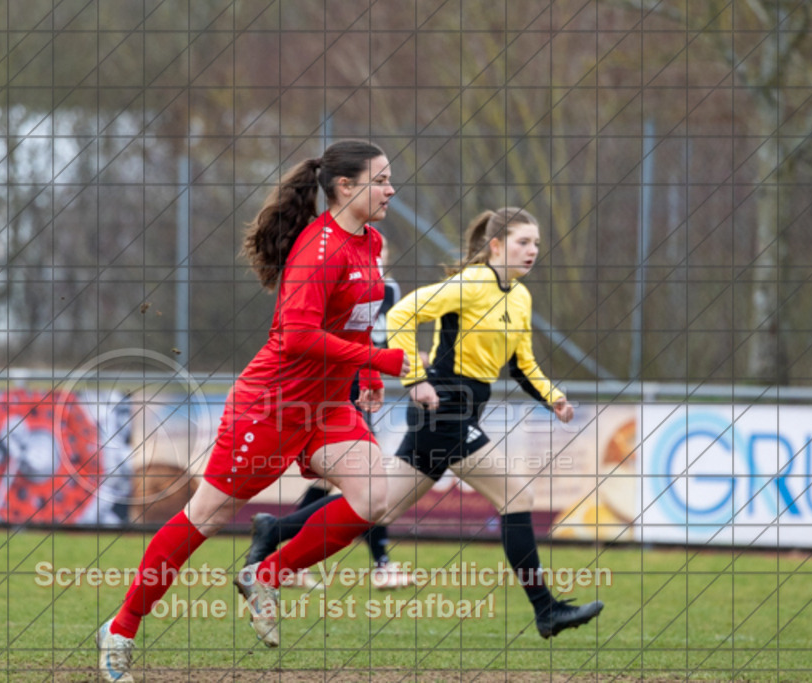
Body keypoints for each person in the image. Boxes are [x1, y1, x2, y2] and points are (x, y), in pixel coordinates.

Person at [95, 140, 409, 682]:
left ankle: (268, 571)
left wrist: (366, 374)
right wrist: (378, 356)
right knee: (207, 517)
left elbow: (351, 323)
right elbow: (297, 338)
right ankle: (120, 629)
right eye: (381, 180)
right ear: (345, 187)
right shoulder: (321, 249)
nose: (391, 189)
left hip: (328, 407)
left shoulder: (369, 242)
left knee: (374, 498)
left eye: (388, 179)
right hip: (273, 405)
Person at [243, 207, 604, 639]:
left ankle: (274, 530)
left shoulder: (520, 298)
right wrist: (414, 378)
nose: (532, 251)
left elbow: (522, 363)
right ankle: (547, 611)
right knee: (517, 495)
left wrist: (553, 397)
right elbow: (401, 315)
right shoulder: (471, 285)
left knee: (379, 506)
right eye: (522, 242)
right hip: (444, 407)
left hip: (462, 410)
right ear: (495, 246)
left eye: (537, 244)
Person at [245, 233, 415, 591]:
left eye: (381, 255)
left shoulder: (390, 290)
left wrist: (380, 370)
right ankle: (380, 563)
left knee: (352, 484)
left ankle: (276, 539)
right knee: (366, 481)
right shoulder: (334, 271)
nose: (376, 260)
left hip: (362, 382)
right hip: (333, 384)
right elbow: (316, 333)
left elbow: (375, 336)